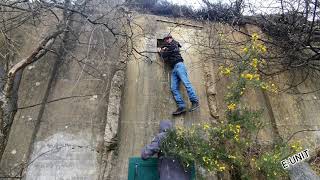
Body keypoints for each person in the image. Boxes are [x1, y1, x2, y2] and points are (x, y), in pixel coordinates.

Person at [157, 35, 199, 115]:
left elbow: (165, 54)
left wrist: (161, 51)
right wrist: (163, 51)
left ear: (171, 38)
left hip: (179, 65)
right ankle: (181, 106)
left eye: (167, 39)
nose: (166, 41)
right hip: (174, 69)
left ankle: (194, 101)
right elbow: (165, 58)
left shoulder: (174, 44)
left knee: (186, 83)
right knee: (173, 88)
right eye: (165, 40)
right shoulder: (168, 47)